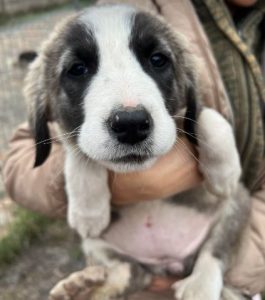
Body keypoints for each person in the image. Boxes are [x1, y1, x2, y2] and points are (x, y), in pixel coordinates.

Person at [2, 0, 265, 299]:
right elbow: (20, 162)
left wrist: (241, 268)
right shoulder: (134, 5)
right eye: (77, 69)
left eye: (156, 61)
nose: (129, 113)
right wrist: (76, 165)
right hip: (133, 261)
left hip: (232, 249)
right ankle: (122, 274)